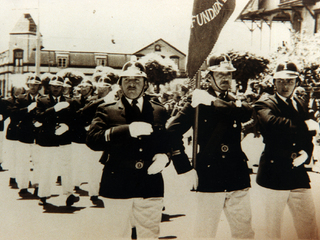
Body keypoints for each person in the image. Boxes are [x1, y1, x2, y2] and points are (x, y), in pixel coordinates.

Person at [86, 61, 193, 239]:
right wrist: (126, 130)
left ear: (146, 84)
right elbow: (92, 140)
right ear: (120, 84)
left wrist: (165, 157)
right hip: (117, 181)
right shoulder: (107, 110)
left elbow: (168, 141)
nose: (132, 83)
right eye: (127, 79)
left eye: (137, 79)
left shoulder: (158, 110)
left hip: (149, 183)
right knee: (116, 234)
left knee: (149, 234)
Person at [166, 53, 255, 239]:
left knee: (244, 232)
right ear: (209, 77)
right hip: (209, 174)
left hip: (236, 174)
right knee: (205, 233)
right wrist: (184, 168)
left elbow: (247, 113)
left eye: (228, 74)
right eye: (220, 74)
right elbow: (172, 131)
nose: (225, 78)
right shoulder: (197, 101)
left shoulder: (234, 99)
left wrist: (213, 101)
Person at [254, 61, 319, 239]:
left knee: (309, 225)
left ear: (297, 82)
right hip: (274, 172)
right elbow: (273, 123)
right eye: (281, 81)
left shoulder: (298, 102)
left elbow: (308, 135)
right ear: (274, 82)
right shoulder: (265, 103)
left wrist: (306, 153)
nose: (285, 85)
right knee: (272, 229)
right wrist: (304, 124)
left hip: (297, 172)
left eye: (290, 81)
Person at [35, 75, 79, 206]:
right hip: (47, 141)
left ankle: (69, 194)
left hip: (64, 140)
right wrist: (54, 109)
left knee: (66, 167)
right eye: (53, 86)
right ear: (49, 87)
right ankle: (43, 194)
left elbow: (76, 120)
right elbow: (39, 117)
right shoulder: (42, 101)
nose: (56, 89)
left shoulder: (70, 101)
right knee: (46, 168)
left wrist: (68, 126)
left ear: (63, 88)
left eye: (59, 86)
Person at [15, 74, 42, 198]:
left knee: (38, 162)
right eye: (31, 84)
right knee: (23, 162)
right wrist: (27, 109)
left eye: (36, 85)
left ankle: (37, 186)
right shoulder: (21, 99)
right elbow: (15, 115)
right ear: (28, 85)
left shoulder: (44, 99)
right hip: (24, 135)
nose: (33, 87)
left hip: (38, 135)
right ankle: (23, 186)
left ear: (39, 86)